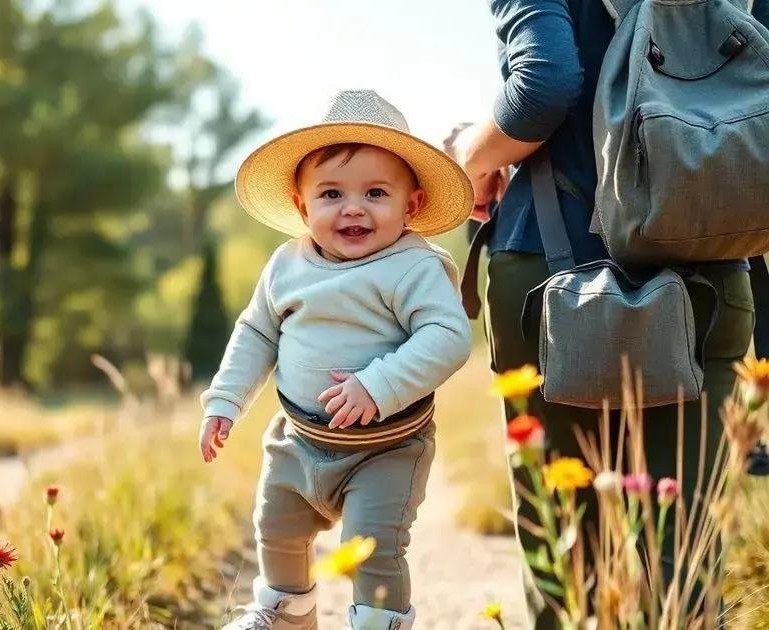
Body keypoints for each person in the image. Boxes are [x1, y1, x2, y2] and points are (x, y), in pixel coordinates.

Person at [449, 1, 769, 626]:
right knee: (684, 550)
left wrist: (471, 152)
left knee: (570, 549)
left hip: (552, 260)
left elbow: (543, 87)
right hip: (707, 265)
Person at [200, 89, 473, 630]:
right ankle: (286, 612)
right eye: (330, 193)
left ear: (410, 207)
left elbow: (447, 335)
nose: (352, 207)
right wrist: (226, 399)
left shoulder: (413, 267)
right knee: (275, 526)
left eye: (375, 192)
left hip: (387, 447)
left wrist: (379, 384)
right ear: (303, 207)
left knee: (372, 546)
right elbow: (255, 332)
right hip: (298, 440)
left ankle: (378, 621)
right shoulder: (286, 265)